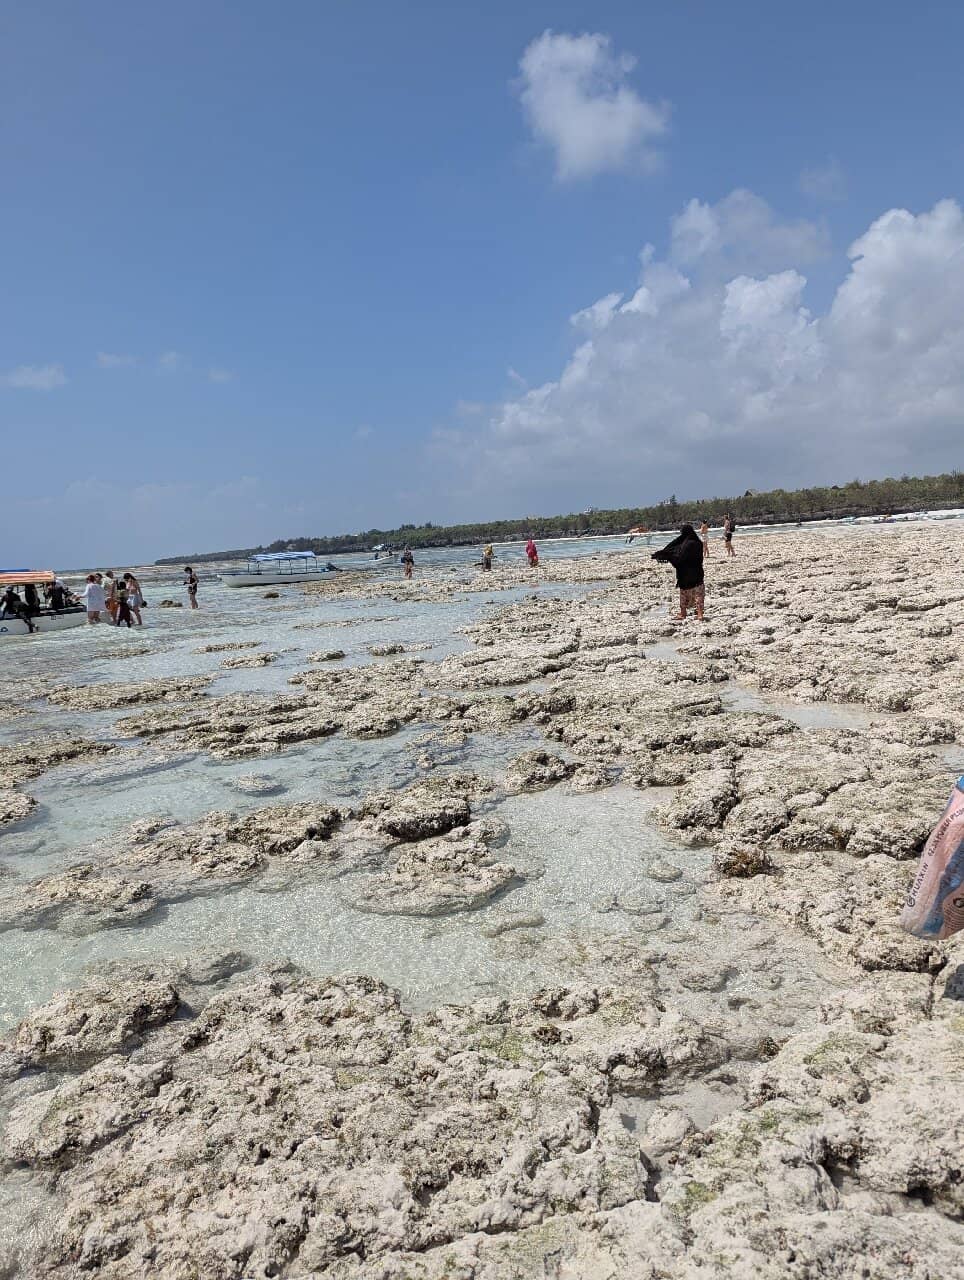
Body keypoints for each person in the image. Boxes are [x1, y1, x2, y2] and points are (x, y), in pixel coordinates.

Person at [652, 523, 706, 622]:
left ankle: (683, 613)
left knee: (684, 594)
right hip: (697, 572)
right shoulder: (698, 543)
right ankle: (700, 614)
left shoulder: (685, 545)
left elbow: (679, 558)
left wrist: (666, 555)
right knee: (699, 593)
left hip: (684, 574)